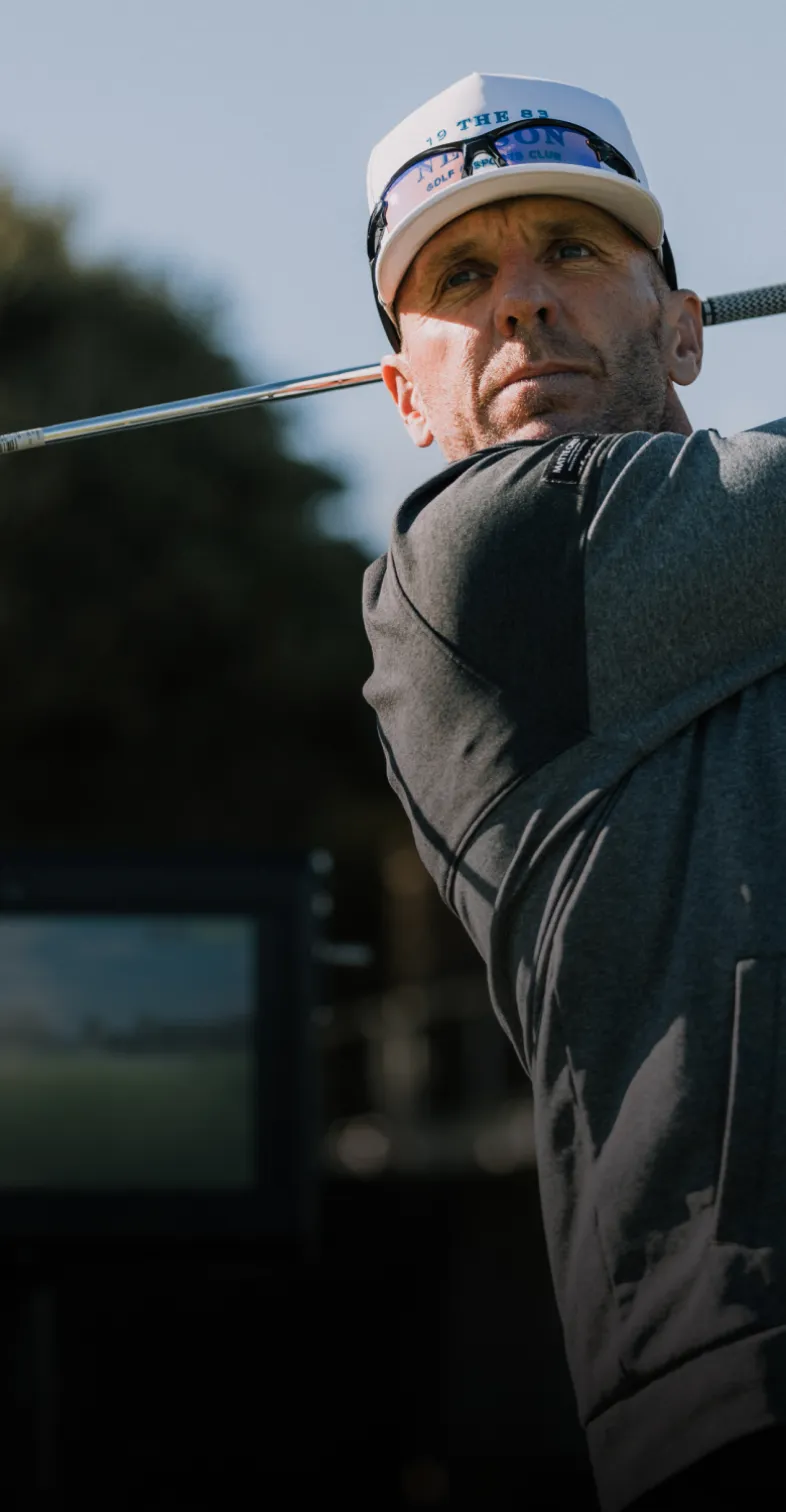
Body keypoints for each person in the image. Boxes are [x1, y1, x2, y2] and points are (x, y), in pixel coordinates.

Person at [361, 72, 786, 1511]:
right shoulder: (474, 568)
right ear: (406, 395)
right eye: (460, 275)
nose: (520, 301)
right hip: (748, 1367)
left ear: (681, 327)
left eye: (572, 250)